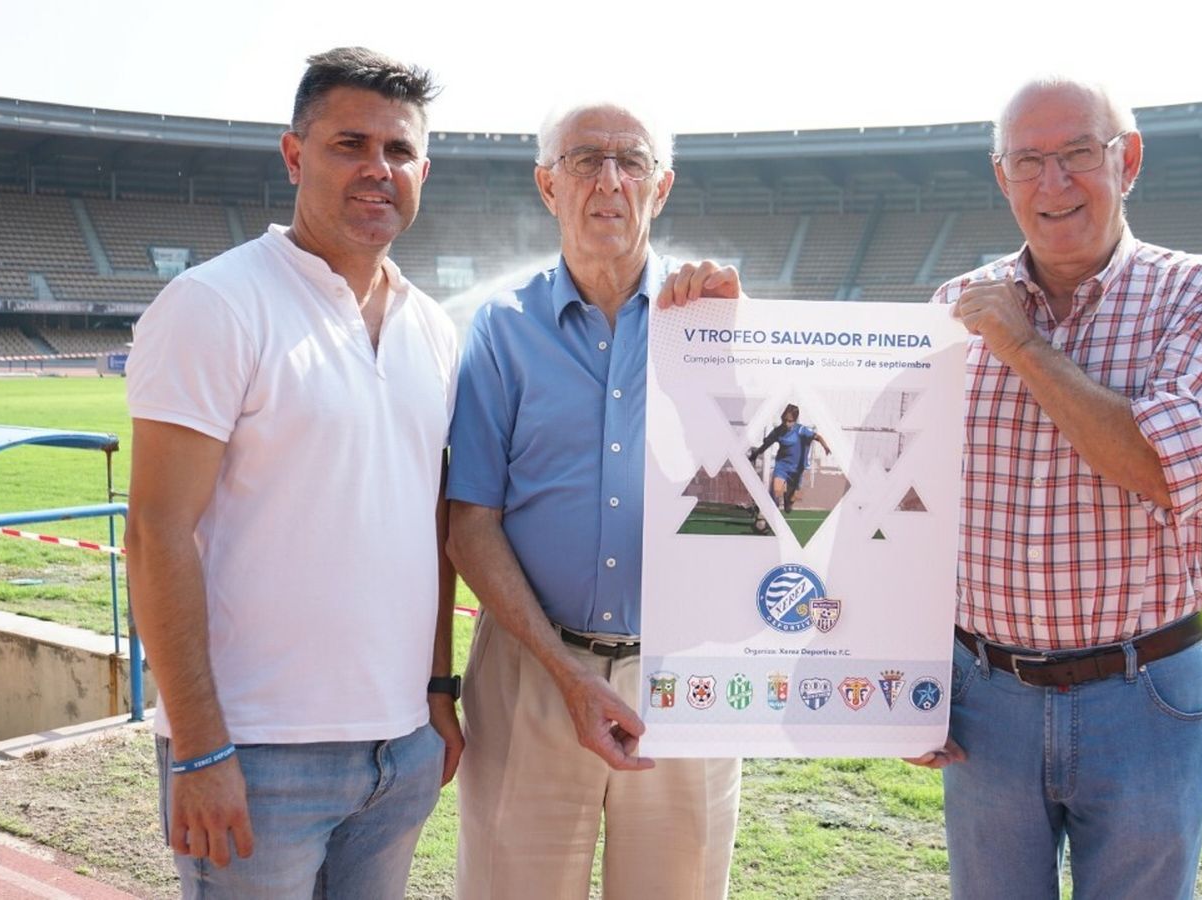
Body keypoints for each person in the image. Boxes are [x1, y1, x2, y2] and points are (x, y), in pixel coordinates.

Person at [124, 47, 463, 897]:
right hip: (256, 752)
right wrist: (200, 747)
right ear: (294, 154)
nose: (376, 169)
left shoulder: (434, 329)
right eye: (350, 144)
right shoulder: (216, 303)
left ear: (424, 169)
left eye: (398, 150)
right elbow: (155, 531)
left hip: (400, 749)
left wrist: (434, 693)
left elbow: (431, 525)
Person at [908, 76, 1202, 900]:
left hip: (1143, 697)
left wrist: (1023, 346)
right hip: (985, 698)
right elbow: (900, 503)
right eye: (1029, 161)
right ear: (1002, 176)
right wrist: (901, 679)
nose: (1053, 184)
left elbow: (1165, 470)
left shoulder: (1196, 292)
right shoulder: (953, 309)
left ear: (1126, 161)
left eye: (1077, 156)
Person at [445, 101, 743, 899]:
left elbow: (771, 500)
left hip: (684, 679)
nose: (609, 180)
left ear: (662, 186)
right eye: (584, 160)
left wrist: (741, 354)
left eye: (632, 161)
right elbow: (470, 523)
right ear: (549, 185)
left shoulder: (719, 321)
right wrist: (566, 674)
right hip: (532, 674)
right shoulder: (500, 331)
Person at [748, 403, 831, 512]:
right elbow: (766, 445)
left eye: (790, 421)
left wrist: (825, 447)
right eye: (784, 420)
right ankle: (773, 511)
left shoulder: (801, 430)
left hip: (796, 470)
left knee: (790, 502)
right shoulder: (778, 431)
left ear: (795, 420)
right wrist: (756, 453)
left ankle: (788, 501)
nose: (786, 423)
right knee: (776, 491)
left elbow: (818, 437)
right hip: (782, 465)